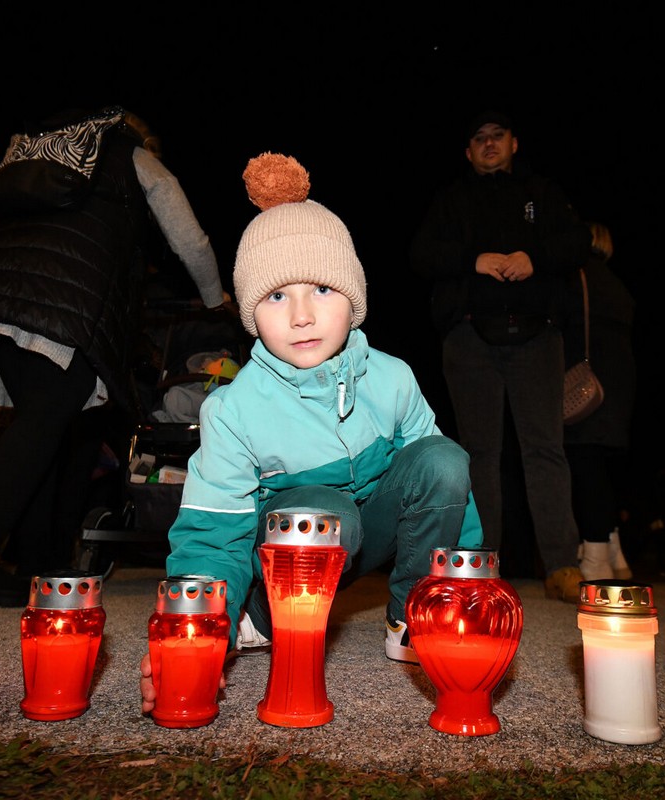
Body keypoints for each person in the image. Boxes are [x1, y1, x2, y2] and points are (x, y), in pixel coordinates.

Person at [139, 152, 482, 711]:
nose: (301, 314)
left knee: (442, 459)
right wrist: (195, 630)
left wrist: (463, 590)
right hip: (286, 556)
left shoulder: (392, 379)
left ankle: (415, 618)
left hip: (364, 537)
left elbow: (448, 492)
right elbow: (211, 532)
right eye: (276, 296)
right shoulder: (234, 409)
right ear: (252, 311)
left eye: (321, 289)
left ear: (354, 298)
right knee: (324, 507)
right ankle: (261, 619)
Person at [0, 107, 229, 606]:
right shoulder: (131, 155)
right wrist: (216, 298)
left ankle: (36, 563)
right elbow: (189, 237)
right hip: (60, 309)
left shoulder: (38, 151)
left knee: (45, 429)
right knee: (39, 428)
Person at [409, 110, 592, 601]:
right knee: (480, 454)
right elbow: (420, 254)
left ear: (514, 142)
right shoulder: (452, 199)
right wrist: (474, 261)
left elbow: (578, 240)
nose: (489, 144)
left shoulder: (543, 192)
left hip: (536, 338)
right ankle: (481, 561)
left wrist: (534, 257)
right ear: (468, 151)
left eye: (498, 136)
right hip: (471, 340)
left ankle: (561, 565)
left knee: (545, 449)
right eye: (479, 138)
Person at [563, 222, 635, 580]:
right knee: (604, 471)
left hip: (584, 387)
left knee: (586, 466)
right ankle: (613, 551)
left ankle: (595, 559)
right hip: (618, 387)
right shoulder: (616, 283)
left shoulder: (577, 277)